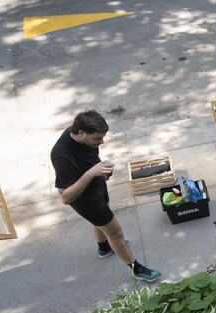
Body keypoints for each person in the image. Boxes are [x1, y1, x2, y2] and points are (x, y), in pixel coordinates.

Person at [50, 110, 161, 283]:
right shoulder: (62, 156)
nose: (101, 142)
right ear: (81, 133)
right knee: (115, 232)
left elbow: (89, 159)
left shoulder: (77, 133)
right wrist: (91, 173)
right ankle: (137, 269)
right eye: (97, 139)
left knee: (100, 223)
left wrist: (101, 172)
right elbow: (65, 197)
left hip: (97, 186)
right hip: (86, 200)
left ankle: (104, 248)